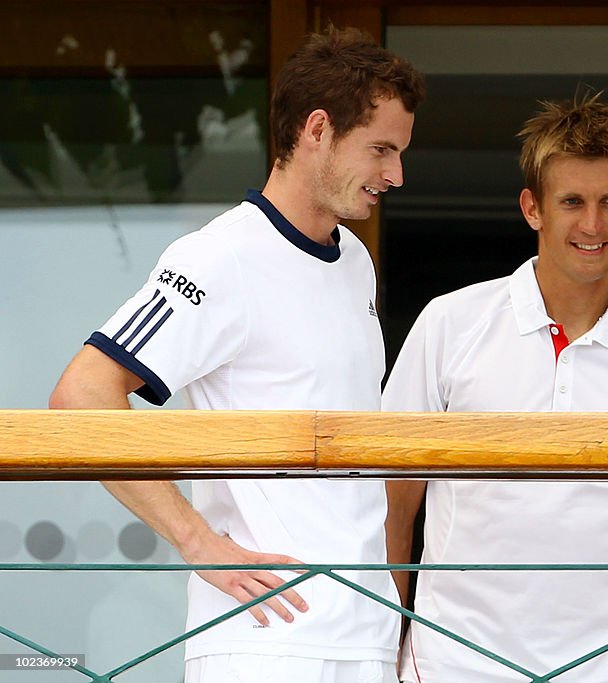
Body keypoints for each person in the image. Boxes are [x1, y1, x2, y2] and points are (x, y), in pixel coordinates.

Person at [48, 27, 425, 683]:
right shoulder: (219, 257)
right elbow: (80, 395)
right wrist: (197, 541)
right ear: (317, 130)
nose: (396, 174)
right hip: (265, 643)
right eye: (381, 150)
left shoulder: (356, 261)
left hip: (364, 637)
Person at [383, 92, 608, 683]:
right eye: (571, 201)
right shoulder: (449, 324)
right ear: (532, 208)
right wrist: (381, 656)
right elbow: (390, 513)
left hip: (602, 673)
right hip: (444, 669)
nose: (591, 224)